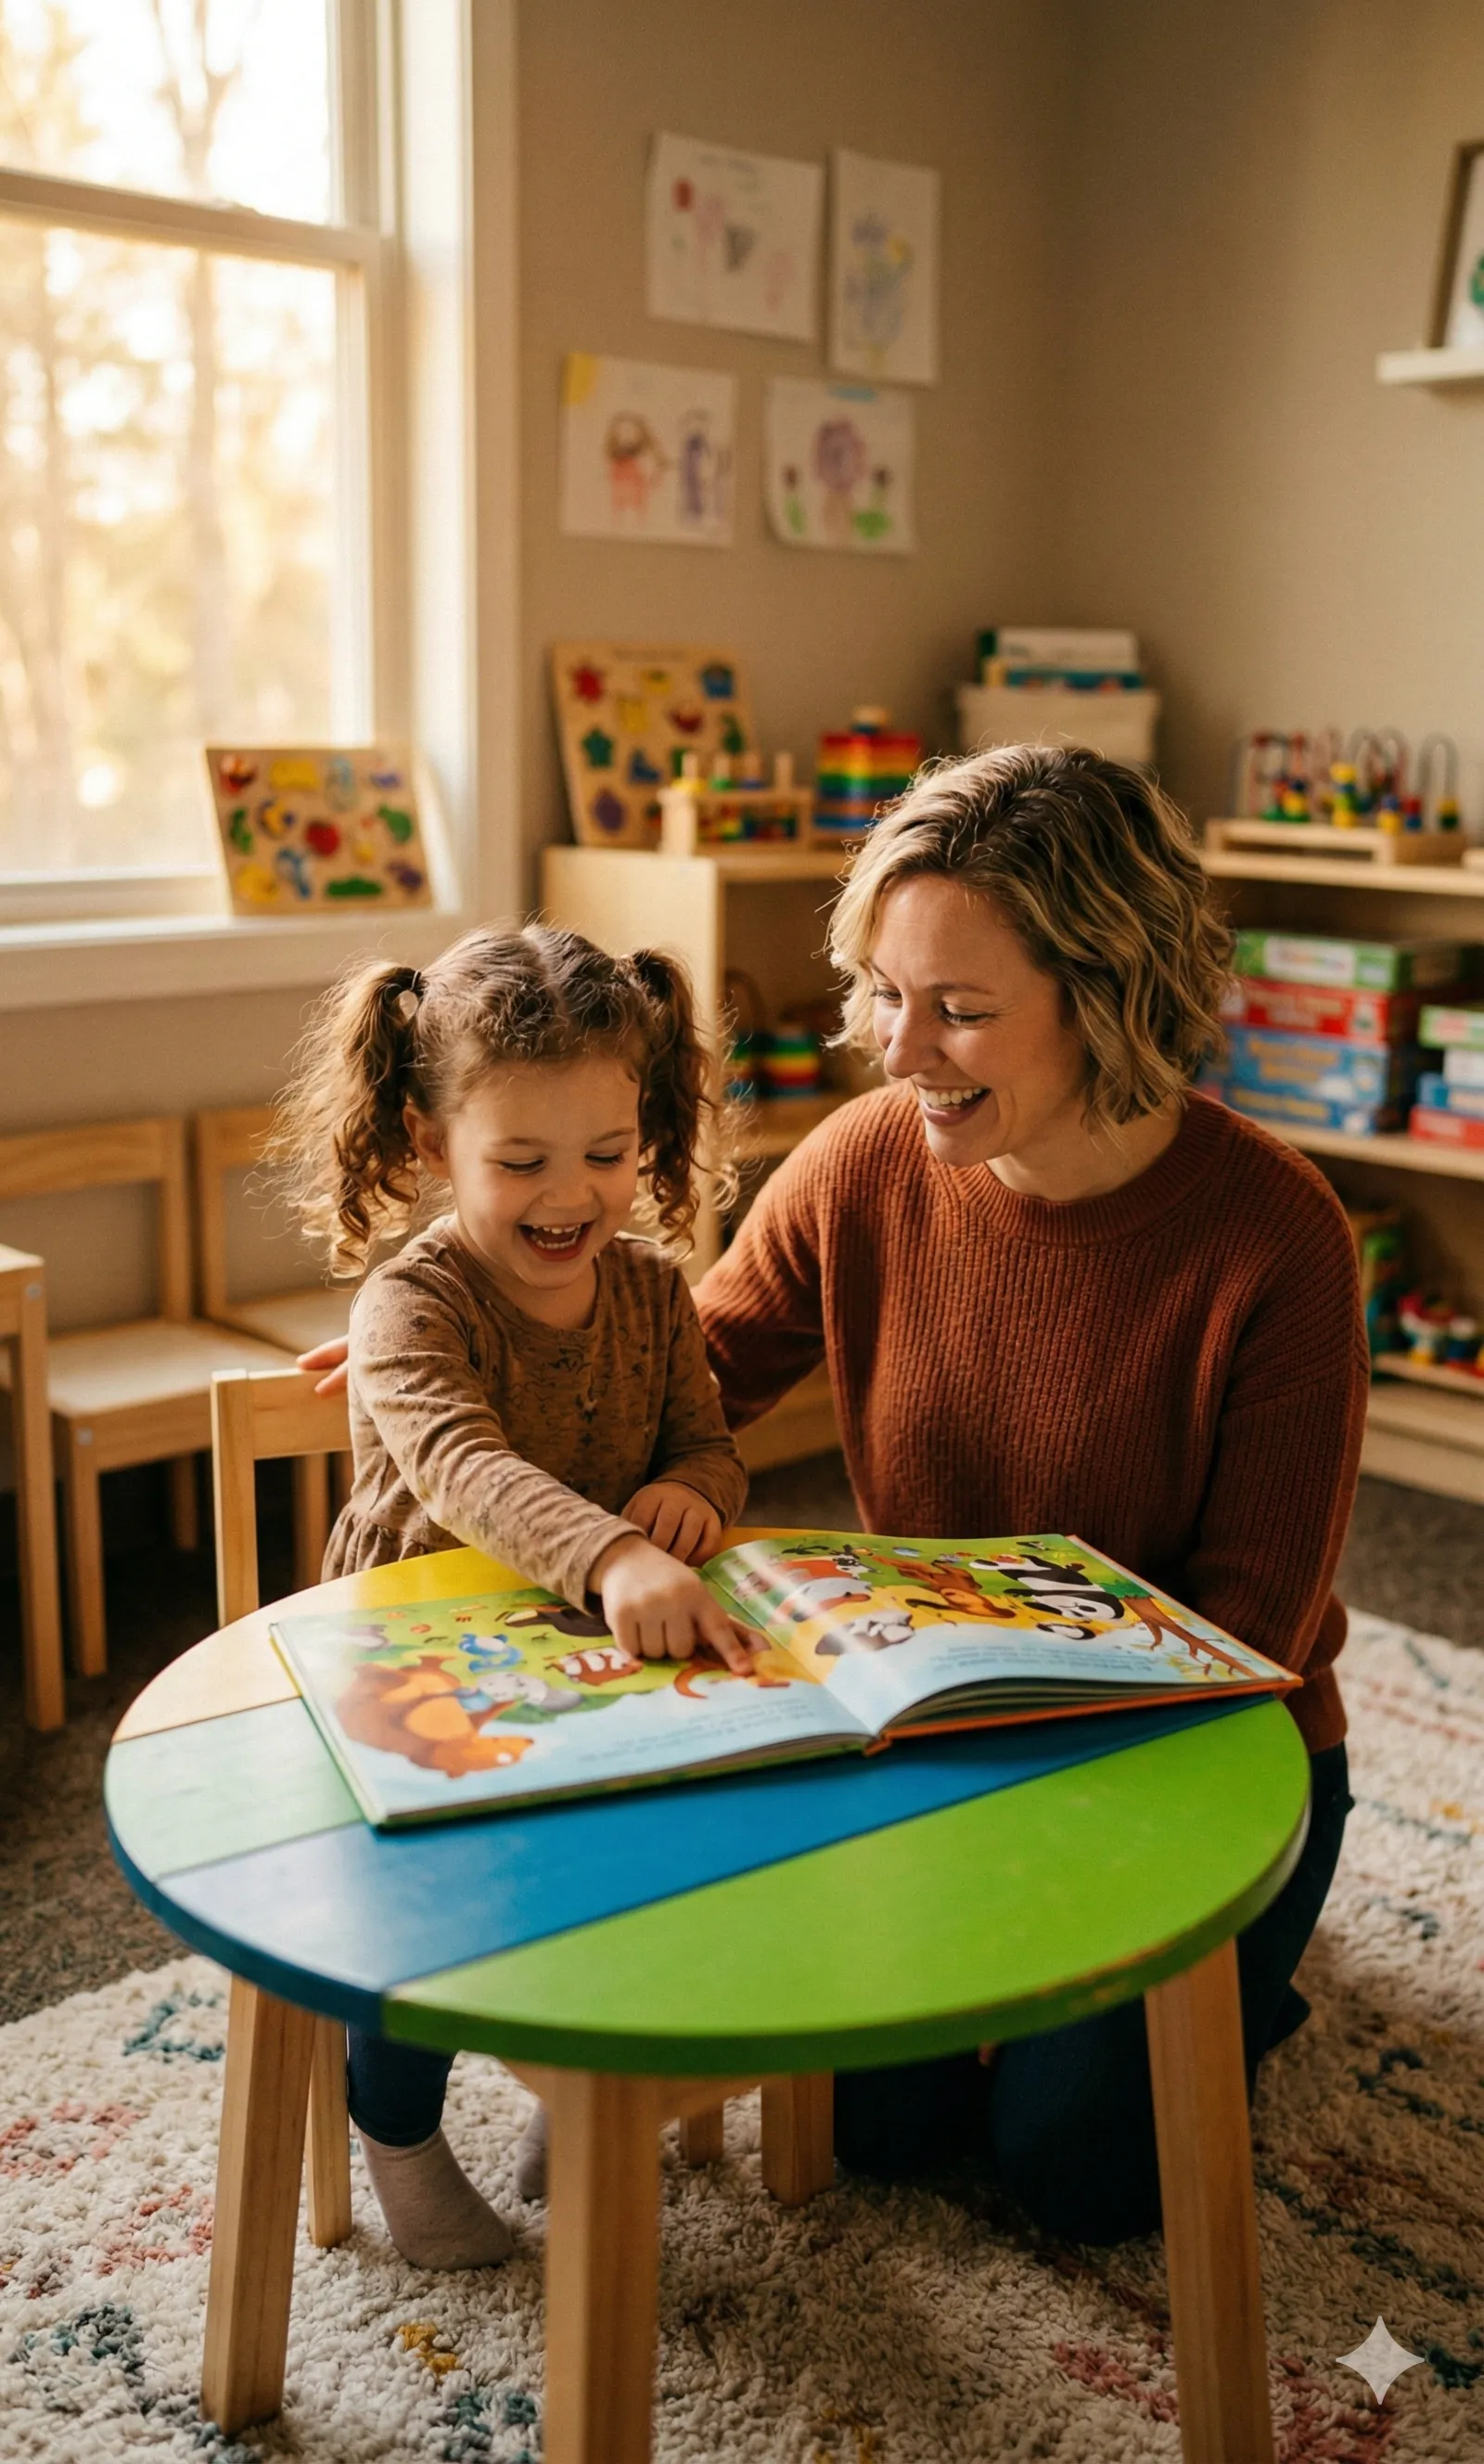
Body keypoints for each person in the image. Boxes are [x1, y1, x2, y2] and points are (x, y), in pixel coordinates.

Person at [301, 745, 1369, 2246]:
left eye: (960, 1009)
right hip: (938, 1734)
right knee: (884, 2133)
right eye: (883, 990)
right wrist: (479, 1325)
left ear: (1110, 995)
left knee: (1080, 2181)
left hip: (1195, 1759)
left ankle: (1259, 1971)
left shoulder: (1282, 1242)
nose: (896, 1047)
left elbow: (1252, 1628)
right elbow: (685, 1379)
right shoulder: (866, 1161)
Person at [276, 922, 748, 2268]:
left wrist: (694, 1498)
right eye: (521, 1162)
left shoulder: (656, 1295)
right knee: (429, 1909)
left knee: (663, 1852)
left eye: (606, 1155)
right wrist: (612, 1553)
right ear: (432, 1147)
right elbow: (462, 1465)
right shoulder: (408, 1301)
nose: (572, 1195)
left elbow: (707, 1440)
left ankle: (585, 2080)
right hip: (413, 1680)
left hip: (588, 1664)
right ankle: (403, 2141)